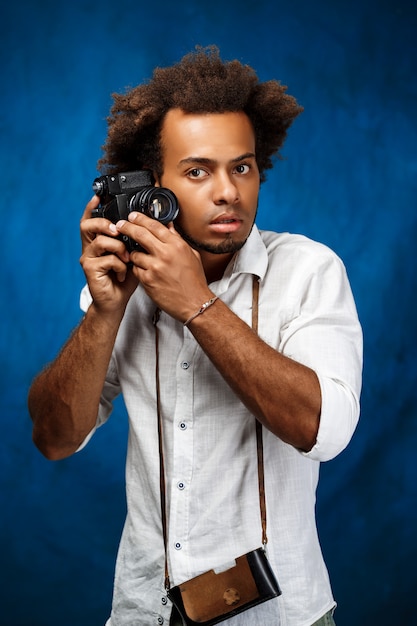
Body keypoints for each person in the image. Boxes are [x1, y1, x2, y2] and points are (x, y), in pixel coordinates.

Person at [28, 46, 362, 626]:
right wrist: (104, 312)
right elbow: (54, 438)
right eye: (198, 171)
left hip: (278, 616)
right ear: (152, 186)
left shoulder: (310, 270)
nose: (228, 191)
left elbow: (324, 431)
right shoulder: (124, 283)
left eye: (242, 166)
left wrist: (198, 305)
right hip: (144, 612)